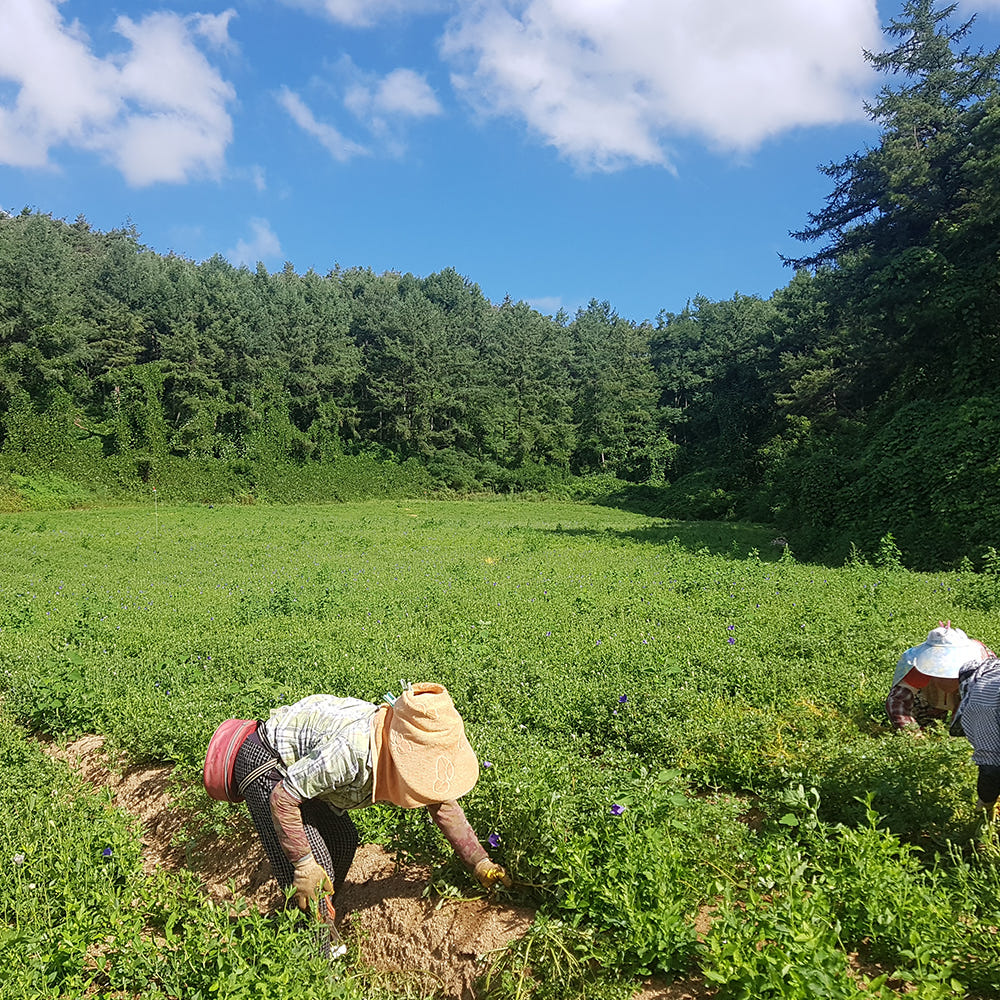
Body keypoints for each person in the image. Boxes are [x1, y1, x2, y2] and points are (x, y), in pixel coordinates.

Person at [206, 681, 510, 955]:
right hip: (269, 766)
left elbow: (440, 802)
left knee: (343, 839)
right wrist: (303, 865)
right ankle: (312, 962)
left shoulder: (404, 743)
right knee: (315, 870)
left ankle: (307, 926)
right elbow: (284, 797)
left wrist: (480, 862)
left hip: (301, 776)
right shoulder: (353, 751)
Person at [886, 622, 992, 732]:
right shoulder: (918, 669)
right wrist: (911, 731)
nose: (946, 678)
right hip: (933, 695)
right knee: (927, 723)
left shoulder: (977, 670)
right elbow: (897, 701)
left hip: (969, 696)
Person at [950, 658, 1000, 824]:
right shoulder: (994, 677)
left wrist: (986, 801)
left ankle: (984, 831)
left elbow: (991, 765)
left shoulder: (982, 696)